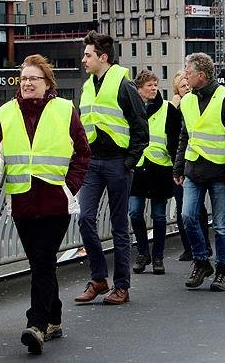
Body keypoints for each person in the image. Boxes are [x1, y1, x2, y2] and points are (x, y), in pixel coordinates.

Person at [0, 55, 91, 355]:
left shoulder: (65, 110)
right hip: (23, 202)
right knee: (41, 263)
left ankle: (36, 325)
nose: (27, 83)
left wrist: (69, 186)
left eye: (34, 79)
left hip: (56, 201)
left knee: (42, 261)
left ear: (48, 84)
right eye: (24, 78)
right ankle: (54, 317)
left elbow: (82, 153)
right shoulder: (4, 114)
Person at [75, 32, 148, 305]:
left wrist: (129, 163)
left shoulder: (124, 86)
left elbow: (142, 129)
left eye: (88, 55)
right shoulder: (88, 87)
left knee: (119, 226)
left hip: (118, 162)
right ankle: (98, 278)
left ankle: (121, 286)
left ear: (102, 57)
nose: (84, 60)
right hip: (93, 163)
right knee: (85, 218)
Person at [174, 53, 225, 291]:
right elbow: (185, 135)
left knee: (221, 225)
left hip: (219, 171)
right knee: (187, 217)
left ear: (201, 75)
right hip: (194, 168)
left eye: (188, 71)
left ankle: (223, 270)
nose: (185, 75)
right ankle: (202, 261)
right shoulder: (187, 101)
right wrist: (178, 167)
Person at [129, 69, 181, 275]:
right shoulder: (131, 109)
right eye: (149, 85)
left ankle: (158, 256)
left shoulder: (168, 109)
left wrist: (177, 166)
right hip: (138, 169)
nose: (153, 89)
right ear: (139, 89)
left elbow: (176, 139)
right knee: (134, 212)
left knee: (159, 216)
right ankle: (143, 252)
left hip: (161, 169)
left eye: (155, 85)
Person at [169, 71, 211, 261]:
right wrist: (173, 107)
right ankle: (190, 247)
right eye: (182, 86)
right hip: (180, 162)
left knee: (197, 208)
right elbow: (174, 135)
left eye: (188, 85)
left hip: (198, 162)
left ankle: (204, 246)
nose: (186, 88)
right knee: (183, 208)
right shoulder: (175, 108)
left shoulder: (199, 103)